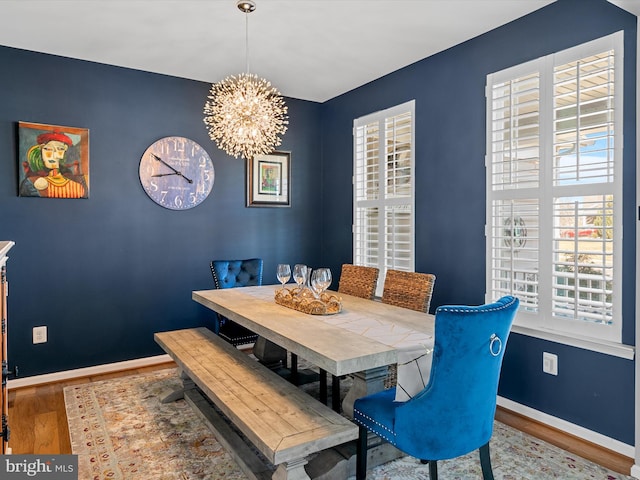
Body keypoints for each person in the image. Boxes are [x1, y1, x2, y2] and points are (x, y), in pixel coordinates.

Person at [19, 131, 87, 198]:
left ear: (64, 150)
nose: (54, 154)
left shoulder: (77, 187)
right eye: (48, 149)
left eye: (60, 149)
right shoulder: (30, 183)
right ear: (41, 150)